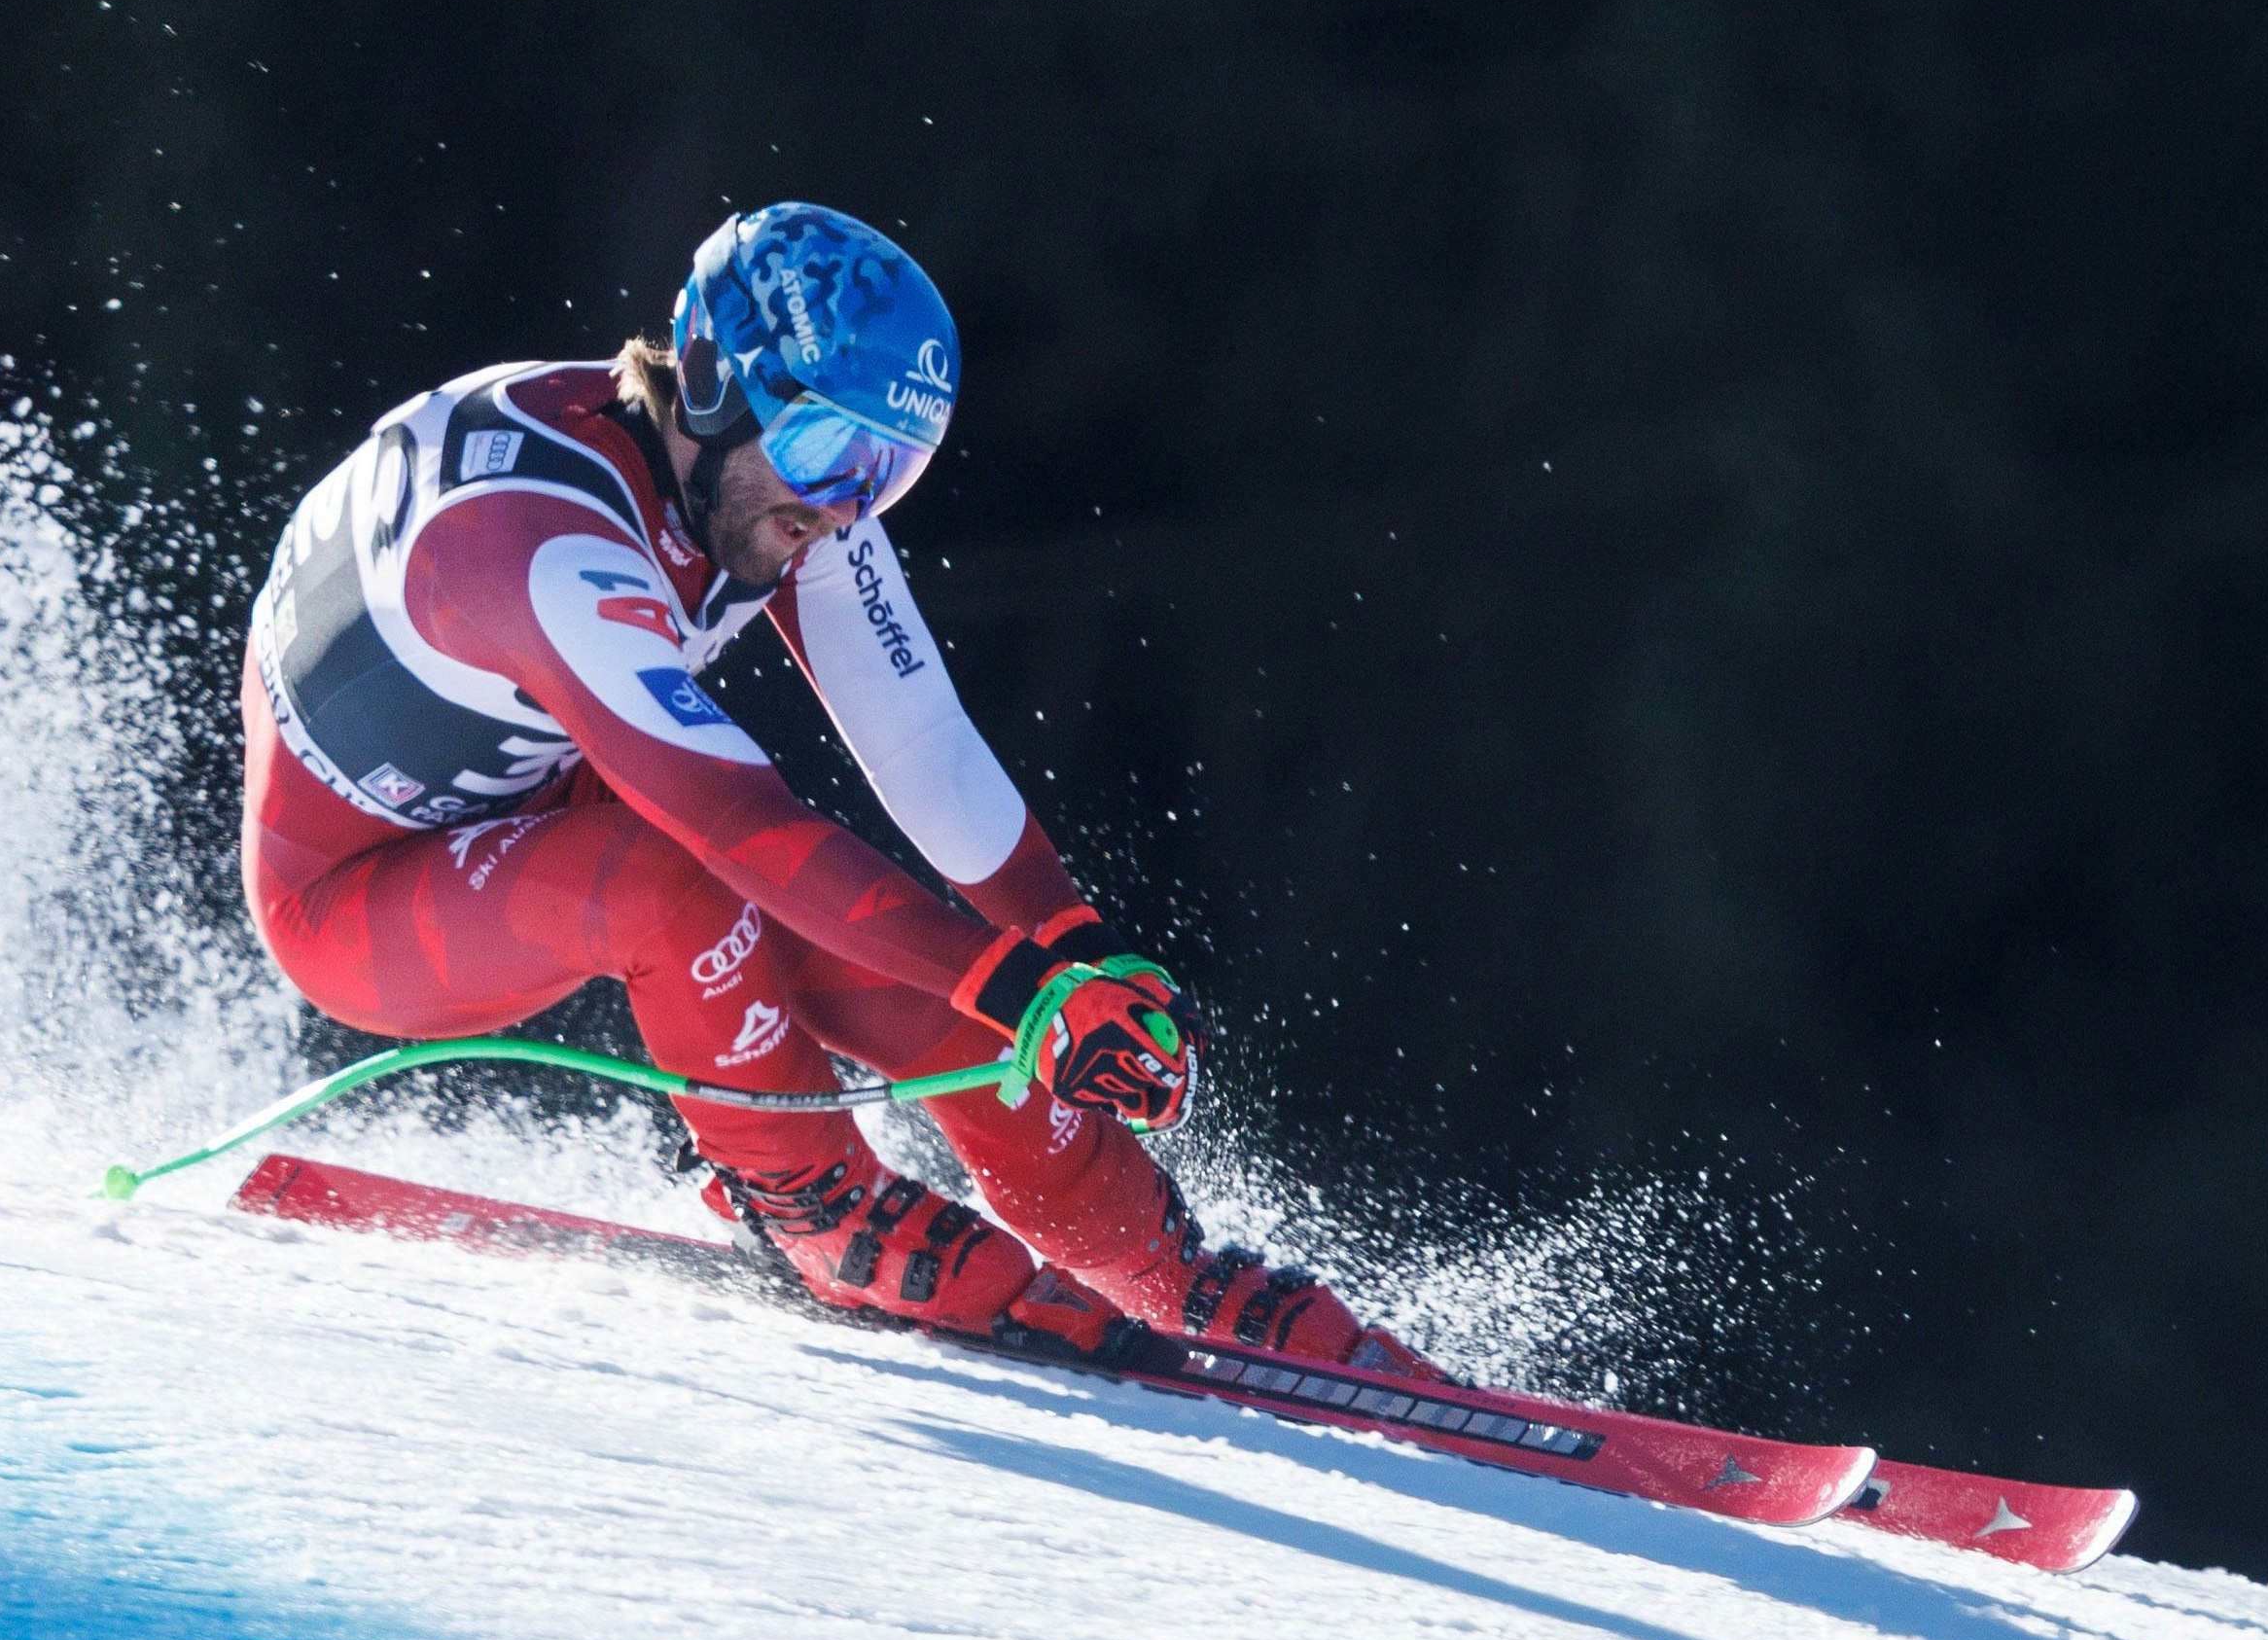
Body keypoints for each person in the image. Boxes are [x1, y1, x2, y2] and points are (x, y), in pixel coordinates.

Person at [239, 201, 1434, 1374]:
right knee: (689, 886)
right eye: (828, 454)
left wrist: (1073, 948)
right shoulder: (534, 536)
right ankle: (810, 1201)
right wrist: (1027, 990)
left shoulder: (771, 482)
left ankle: (1158, 1262)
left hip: (546, 803)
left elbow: (918, 738)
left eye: (891, 471)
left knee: (898, 959)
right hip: (353, 900)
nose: (843, 507)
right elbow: (736, 824)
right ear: (710, 380)